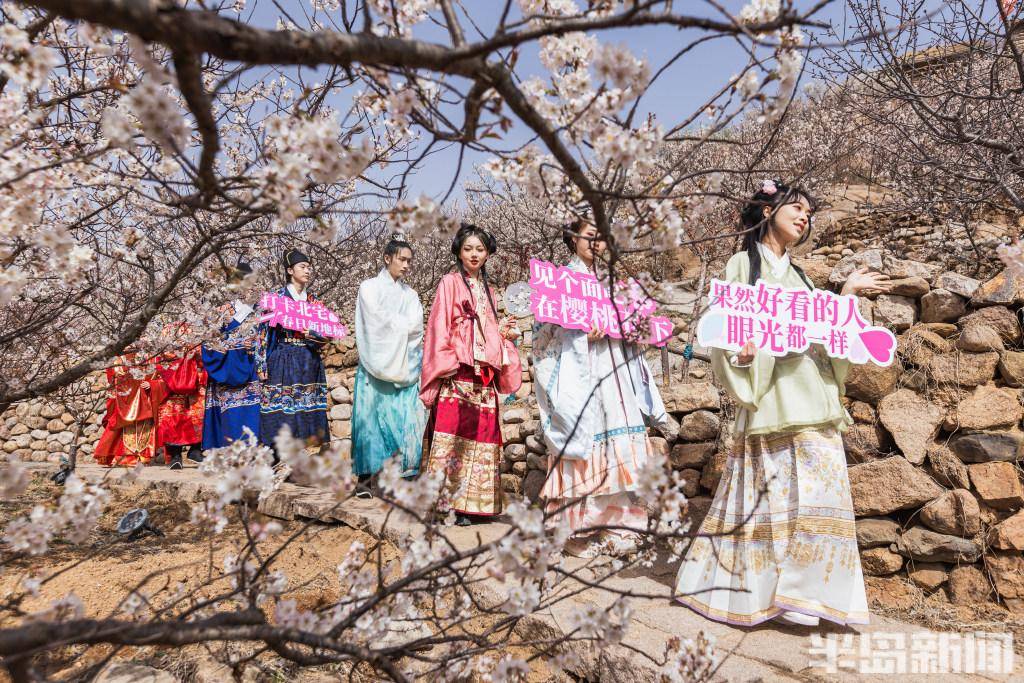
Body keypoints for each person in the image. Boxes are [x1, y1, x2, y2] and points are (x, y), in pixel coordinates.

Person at [674, 179, 891, 628]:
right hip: (773, 397)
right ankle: (765, 595)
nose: (804, 216)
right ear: (765, 211)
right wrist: (741, 351)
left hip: (810, 393)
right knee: (770, 500)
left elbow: (823, 330)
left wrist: (846, 297)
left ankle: (807, 598)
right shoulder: (741, 265)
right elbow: (726, 332)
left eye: (808, 212)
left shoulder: (801, 276)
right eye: (795, 207)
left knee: (820, 497)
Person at [533, 220, 670, 557]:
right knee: (586, 438)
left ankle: (619, 524)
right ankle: (577, 531)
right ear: (572, 239)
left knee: (616, 441)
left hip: (613, 370)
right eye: (588, 236)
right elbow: (541, 338)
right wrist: (579, 334)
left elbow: (639, 324)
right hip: (581, 371)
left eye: (601, 237)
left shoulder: (615, 285)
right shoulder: (560, 282)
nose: (596, 243)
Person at [420, 224, 522, 526]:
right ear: (459, 252)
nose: (475, 254)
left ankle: (475, 506)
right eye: (468, 249)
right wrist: (447, 362)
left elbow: (487, 328)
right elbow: (439, 325)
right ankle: (448, 504)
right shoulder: (450, 282)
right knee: (452, 436)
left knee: (482, 436)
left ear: (488, 253)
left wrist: (502, 333)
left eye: (480, 249)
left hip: (483, 376)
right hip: (457, 372)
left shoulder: (489, 291)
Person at [352, 235, 426, 498]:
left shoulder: (411, 294)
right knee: (369, 420)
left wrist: (399, 326)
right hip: (375, 362)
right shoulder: (369, 287)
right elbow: (374, 321)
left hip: (404, 365)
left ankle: (398, 479)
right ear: (387, 258)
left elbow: (417, 325)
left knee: (403, 420)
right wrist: (401, 325)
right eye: (401, 259)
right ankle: (364, 480)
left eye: (409, 261)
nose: (406, 265)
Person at [256, 249, 330, 459]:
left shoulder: (314, 302)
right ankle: (278, 458)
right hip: (283, 358)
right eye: (302, 267)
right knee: (281, 410)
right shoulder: (276, 299)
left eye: (309, 267)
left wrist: (309, 332)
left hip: (308, 359)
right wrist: (261, 365)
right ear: (290, 270)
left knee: (306, 410)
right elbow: (262, 334)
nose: (308, 271)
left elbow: (326, 332)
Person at [201, 260, 262, 451]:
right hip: (229, 371)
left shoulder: (263, 312)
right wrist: (234, 346)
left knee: (255, 416)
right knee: (232, 420)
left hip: (255, 372)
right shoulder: (222, 312)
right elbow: (209, 343)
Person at [95, 352, 164, 467]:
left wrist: (153, 385)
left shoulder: (153, 356)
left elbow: (162, 376)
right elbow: (115, 376)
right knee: (126, 427)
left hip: (146, 397)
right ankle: (126, 456)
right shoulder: (119, 359)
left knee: (145, 427)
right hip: (126, 397)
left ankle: (143, 455)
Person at [155, 323, 206, 470]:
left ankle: (195, 450)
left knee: (198, 417)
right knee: (172, 419)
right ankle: (175, 455)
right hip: (174, 382)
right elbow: (162, 355)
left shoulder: (197, 327)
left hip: (195, 383)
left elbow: (204, 355)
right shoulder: (170, 329)